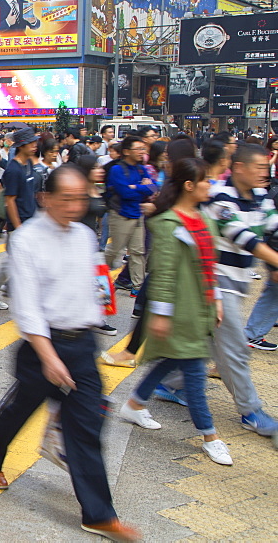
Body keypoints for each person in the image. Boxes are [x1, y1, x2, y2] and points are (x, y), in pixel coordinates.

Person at [0, 165, 141, 542]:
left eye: (80, 198)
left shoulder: (85, 236)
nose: (74, 206)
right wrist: (49, 357)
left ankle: (98, 514)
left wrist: (96, 321)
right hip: (42, 347)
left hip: (80, 346)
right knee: (20, 409)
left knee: (85, 428)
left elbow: (93, 287)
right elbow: (28, 306)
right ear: (45, 198)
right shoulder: (27, 239)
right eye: (66, 198)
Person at [118, 158, 233, 466]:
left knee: (172, 359)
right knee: (194, 374)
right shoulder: (169, 224)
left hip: (200, 308)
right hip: (181, 311)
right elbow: (165, 274)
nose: (211, 185)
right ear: (189, 185)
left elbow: (210, 265)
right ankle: (210, 436)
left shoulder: (203, 219)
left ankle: (134, 403)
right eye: (206, 180)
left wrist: (217, 299)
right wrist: (162, 315)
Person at [195, 143, 278, 434]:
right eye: (259, 167)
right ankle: (251, 411)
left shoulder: (260, 197)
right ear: (239, 167)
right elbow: (246, 239)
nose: (263, 173)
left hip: (239, 283)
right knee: (234, 350)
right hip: (217, 284)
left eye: (266, 168)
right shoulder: (221, 197)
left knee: (201, 345)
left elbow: (273, 229)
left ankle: (169, 385)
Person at [0, 127, 40, 310]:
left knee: (22, 261)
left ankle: (11, 287)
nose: (34, 146)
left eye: (34, 142)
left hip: (30, 221)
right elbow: (10, 201)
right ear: (22, 146)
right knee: (11, 262)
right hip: (19, 225)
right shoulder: (13, 170)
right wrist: (18, 228)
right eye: (30, 143)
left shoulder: (28, 165)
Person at [104, 136, 156, 295]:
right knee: (115, 250)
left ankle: (137, 286)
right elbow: (125, 192)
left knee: (138, 252)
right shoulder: (117, 169)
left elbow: (154, 188)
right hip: (121, 215)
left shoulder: (141, 169)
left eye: (143, 149)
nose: (142, 152)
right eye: (138, 149)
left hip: (137, 213)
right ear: (126, 152)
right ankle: (97, 275)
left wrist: (136, 188)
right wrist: (142, 188)